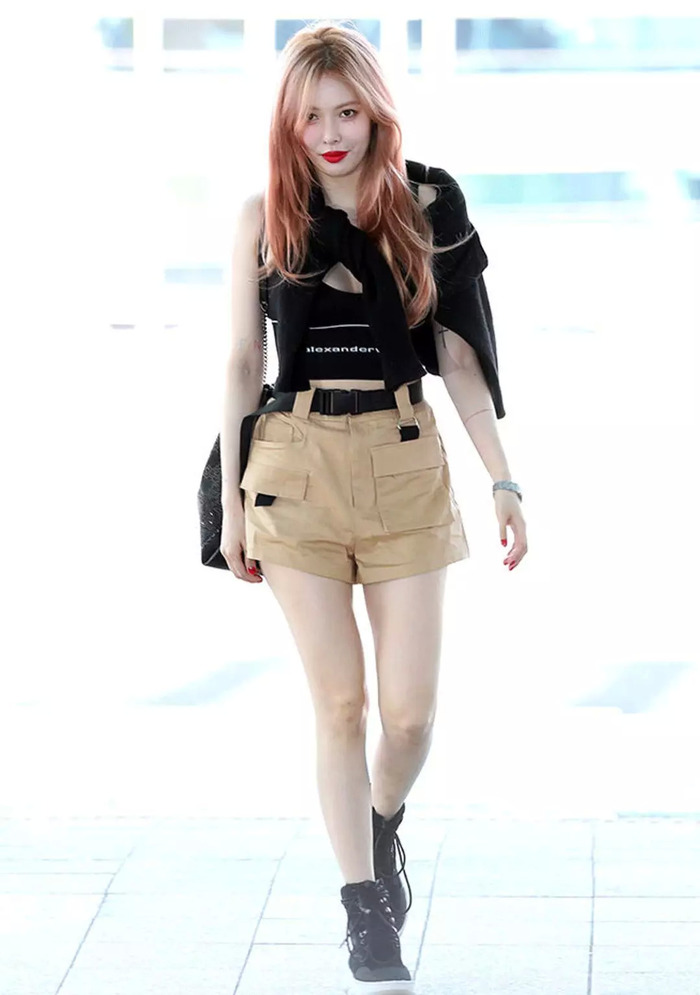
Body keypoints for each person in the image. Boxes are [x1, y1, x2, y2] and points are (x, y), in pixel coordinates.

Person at [218, 20, 528, 995]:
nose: (330, 133)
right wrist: (230, 505)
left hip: (403, 461)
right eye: (311, 115)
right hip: (294, 466)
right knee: (340, 703)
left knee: (409, 714)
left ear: (377, 113)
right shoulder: (265, 214)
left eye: (347, 112)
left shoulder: (427, 205)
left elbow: (461, 359)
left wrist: (503, 477)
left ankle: (380, 818)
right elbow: (241, 362)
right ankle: (364, 909)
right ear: (288, 122)